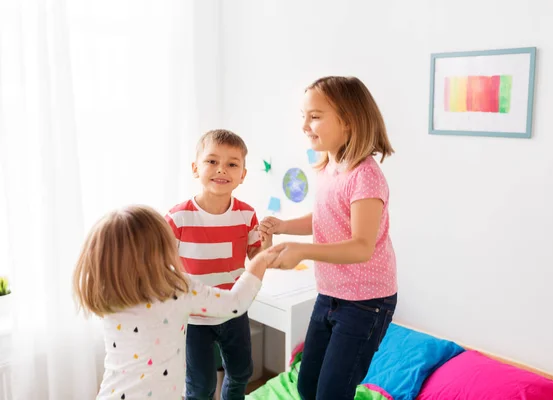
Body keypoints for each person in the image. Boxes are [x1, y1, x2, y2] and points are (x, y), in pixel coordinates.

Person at [260, 76, 397, 400]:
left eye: (315, 116)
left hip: (365, 303)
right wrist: (283, 226)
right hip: (331, 294)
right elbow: (324, 218)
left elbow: (362, 246)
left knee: (331, 393)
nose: (305, 125)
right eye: (303, 116)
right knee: (307, 384)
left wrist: (302, 251)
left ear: (348, 121)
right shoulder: (327, 167)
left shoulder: (365, 177)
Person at [72, 205, 280, 399]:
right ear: (160, 249)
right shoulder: (176, 289)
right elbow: (236, 303)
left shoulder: (107, 292)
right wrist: (261, 261)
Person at [165, 129, 272, 400]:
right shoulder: (177, 218)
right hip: (194, 317)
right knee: (200, 386)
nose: (221, 169)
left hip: (234, 311)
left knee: (241, 373)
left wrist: (267, 244)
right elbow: (162, 265)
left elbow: (257, 256)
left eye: (232, 164)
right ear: (195, 168)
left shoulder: (247, 213)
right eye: (212, 161)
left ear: (242, 175)